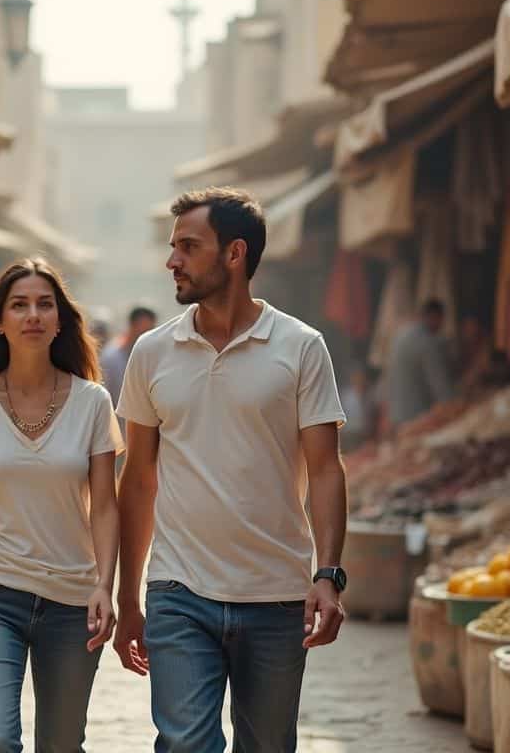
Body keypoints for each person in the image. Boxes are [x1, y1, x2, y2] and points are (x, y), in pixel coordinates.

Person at [114, 187, 349, 752]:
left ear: (235, 253)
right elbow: (139, 478)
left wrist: (328, 574)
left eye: (188, 247)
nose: (172, 261)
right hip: (178, 590)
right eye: (173, 247)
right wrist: (127, 595)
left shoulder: (301, 347)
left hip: (276, 595)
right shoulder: (151, 352)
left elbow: (325, 469)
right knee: (184, 745)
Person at [0, 259, 122, 752]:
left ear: (61, 320)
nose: (33, 315)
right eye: (19, 305)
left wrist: (105, 586)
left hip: (72, 600)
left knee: (61, 745)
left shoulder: (93, 402)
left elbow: (105, 506)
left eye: (45, 305)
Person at [385, 299, 456, 428]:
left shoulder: (400, 335)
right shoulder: (427, 342)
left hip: (396, 413)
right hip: (416, 416)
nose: (441, 326)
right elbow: (440, 384)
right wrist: (454, 405)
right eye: (441, 320)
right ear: (434, 317)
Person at [100, 305, 157, 405]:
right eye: (143, 331)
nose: (147, 336)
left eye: (151, 330)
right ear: (132, 325)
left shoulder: (152, 357)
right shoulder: (111, 357)